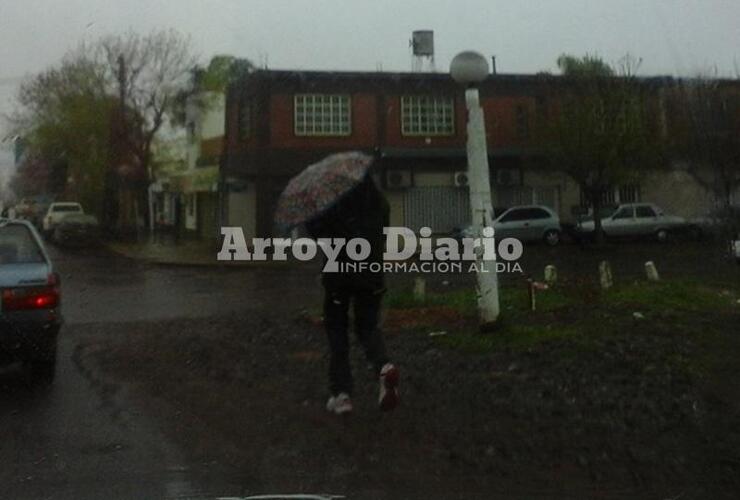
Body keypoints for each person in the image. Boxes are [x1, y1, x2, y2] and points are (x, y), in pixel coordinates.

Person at [306, 175, 399, 415]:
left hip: (339, 277)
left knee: (337, 332)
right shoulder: (379, 203)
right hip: (372, 276)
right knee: (367, 327)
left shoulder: (334, 203)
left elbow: (317, 232)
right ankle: (383, 365)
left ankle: (342, 395)